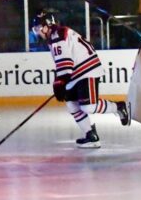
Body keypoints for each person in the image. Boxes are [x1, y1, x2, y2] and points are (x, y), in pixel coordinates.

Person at [31, 10, 130, 148]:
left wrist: (60, 82)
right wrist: (60, 82)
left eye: (38, 28)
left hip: (86, 70)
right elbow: (63, 64)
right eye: (35, 29)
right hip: (75, 73)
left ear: (47, 25)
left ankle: (119, 107)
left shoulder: (58, 35)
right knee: (72, 104)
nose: (37, 32)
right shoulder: (54, 36)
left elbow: (65, 63)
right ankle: (91, 136)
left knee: (89, 106)